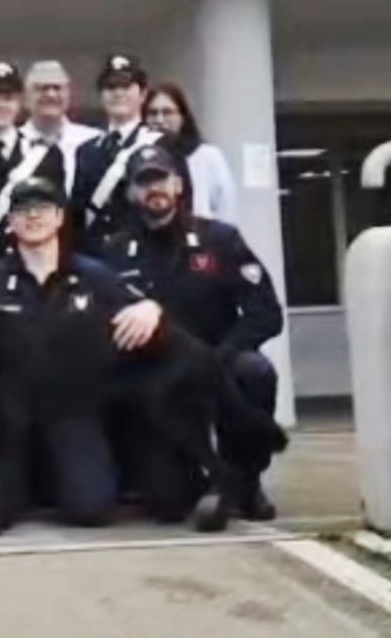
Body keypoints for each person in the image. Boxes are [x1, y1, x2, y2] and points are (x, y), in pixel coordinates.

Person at [0, 176, 165, 536]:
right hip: (14, 414)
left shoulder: (92, 275)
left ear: (59, 218)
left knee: (90, 509)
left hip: (73, 410)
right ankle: (13, 475)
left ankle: (52, 475)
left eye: (42, 209)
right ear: (10, 222)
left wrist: (150, 307)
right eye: (23, 210)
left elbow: (138, 306)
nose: (33, 217)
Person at [97, 145, 284, 520]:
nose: (154, 190)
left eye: (161, 179)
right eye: (144, 182)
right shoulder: (116, 252)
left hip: (220, 360)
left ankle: (247, 481)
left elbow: (266, 314)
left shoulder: (221, 240)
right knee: (168, 505)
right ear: (133, 193)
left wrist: (217, 359)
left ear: (179, 185)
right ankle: (195, 477)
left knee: (256, 372)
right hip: (155, 376)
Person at [0, 61, 65, 265]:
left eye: (9, 98)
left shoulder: (45, 155)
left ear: (20, 102)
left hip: (23, 266)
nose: (1, 105)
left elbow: (57, 218)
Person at [68, 53, 169, 251]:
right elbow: (77, 216)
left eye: (126, 87)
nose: (117, 93)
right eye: (110, 87)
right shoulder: (87, 150)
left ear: (142, 94)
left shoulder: (163, 144)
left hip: (145, 253)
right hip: (96, 258)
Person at [144, 83, 237, 223]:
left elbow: (225, 207)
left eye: (167, 112)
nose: (160, 120)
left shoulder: (207, 156)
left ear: (182, 116)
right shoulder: (139, 158)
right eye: (153, 113)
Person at [19, 60, 99, 195]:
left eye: (57, 88)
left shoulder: (94, 141)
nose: (51, 95)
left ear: (69, 94)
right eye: (42, 88)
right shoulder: (11, 142)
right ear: (26, 97)